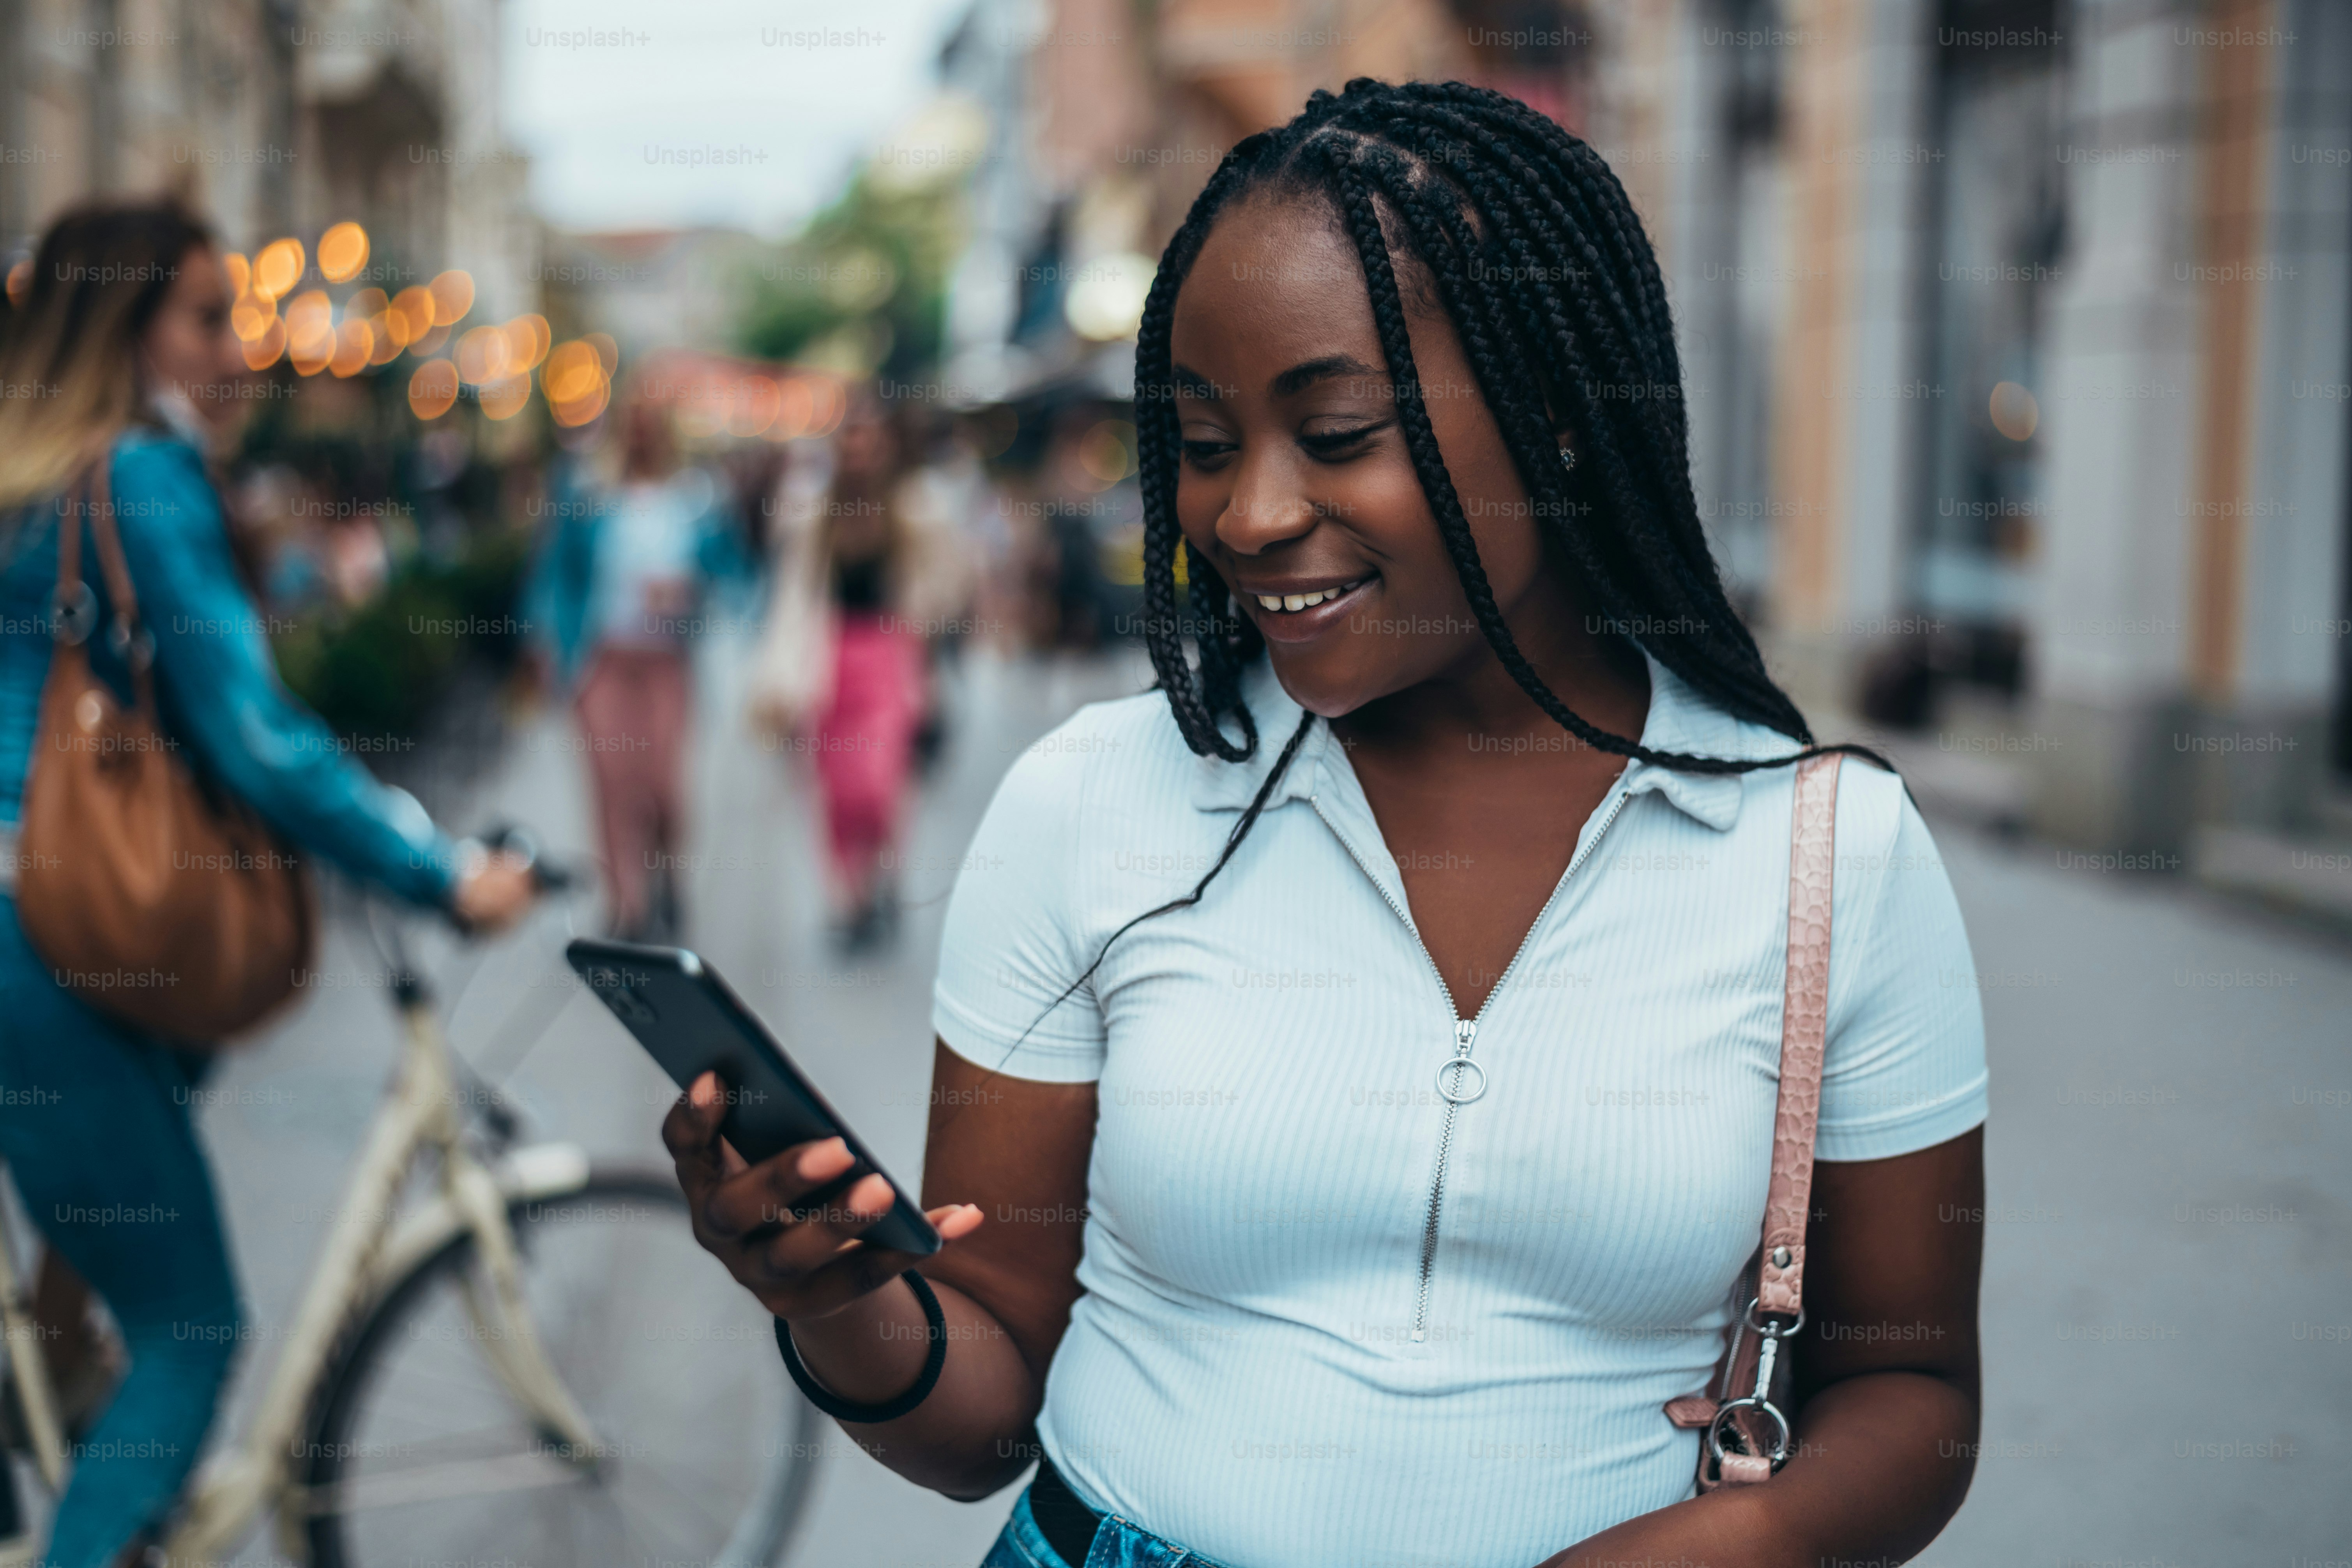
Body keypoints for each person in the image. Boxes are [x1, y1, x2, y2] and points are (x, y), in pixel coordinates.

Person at [667, 81, 1988, 1568]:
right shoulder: (1093, 803)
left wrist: (1720, 1550)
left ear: (1555, 419)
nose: (1242, 516)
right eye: (1206, 444)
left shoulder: (1826, 858)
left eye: (1337, 429)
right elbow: (977, 1421)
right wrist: (835, 1296)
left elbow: (1908, 1392)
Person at [0, 199, 535, 1568]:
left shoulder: (30, 476)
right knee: (190, 1325)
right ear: (124, 330)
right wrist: (436, 870)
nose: (242, 349)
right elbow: (254, 730)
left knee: (83, 1294)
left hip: (42, 933)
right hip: (44, 933)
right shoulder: (138, 478)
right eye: (207, 315)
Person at [747, 392, 968, 950]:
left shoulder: (917, 510)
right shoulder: (811, 513)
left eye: (872, 444)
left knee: (877, 783)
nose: (861, 455)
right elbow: (789, 596)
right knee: (835, 792)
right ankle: (850, 898)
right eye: (852, 443)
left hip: (890, 658)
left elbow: (953, 579)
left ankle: (883, 875)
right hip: (827, 659)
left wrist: (926, 620)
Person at [525, 385, 746, 942]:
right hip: (602, 661)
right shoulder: (587, 489)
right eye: (634, 420)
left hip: (667, 664)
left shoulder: (697, 496)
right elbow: (553, 571)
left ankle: (668, 876)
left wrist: (690, 590)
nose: (642, 432)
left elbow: (732, 570)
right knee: (612, 783)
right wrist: (546, 643)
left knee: (664, 786)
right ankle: (628, 903)